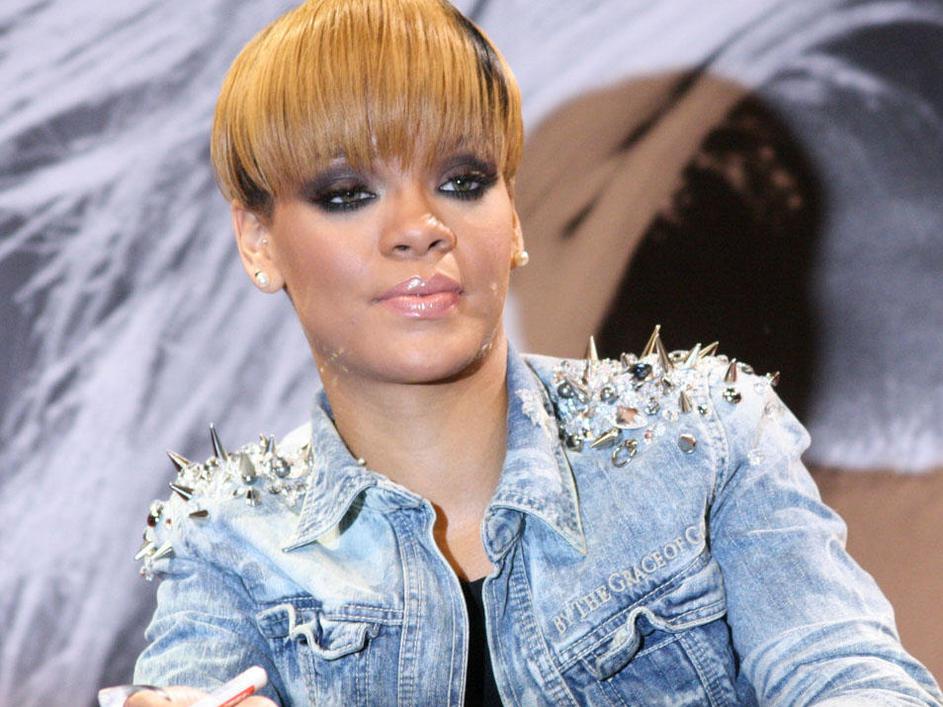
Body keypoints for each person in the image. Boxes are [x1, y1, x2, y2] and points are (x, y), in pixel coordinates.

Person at [126, 0, 942, 704]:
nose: (419, 227)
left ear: (511, 216)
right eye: (347, 193)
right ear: (258, 240)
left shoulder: (705, 440)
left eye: (462, 180)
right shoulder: (228, 540)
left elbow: (844, 671)